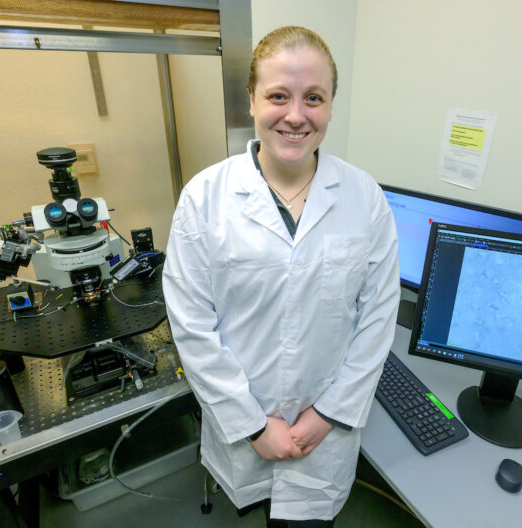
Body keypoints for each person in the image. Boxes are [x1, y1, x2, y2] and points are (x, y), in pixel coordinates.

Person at [162, 26, 400, 527]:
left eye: (314, 98)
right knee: (263, 508)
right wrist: (251, 425)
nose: (296, 115)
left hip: (325, 430)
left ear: (331, 106)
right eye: (278, 96)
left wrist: (328, 414)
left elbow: (377, 317)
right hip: (245, 424)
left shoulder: (364, 197)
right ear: (251, 101)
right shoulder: (204, 198)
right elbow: (191, 324)